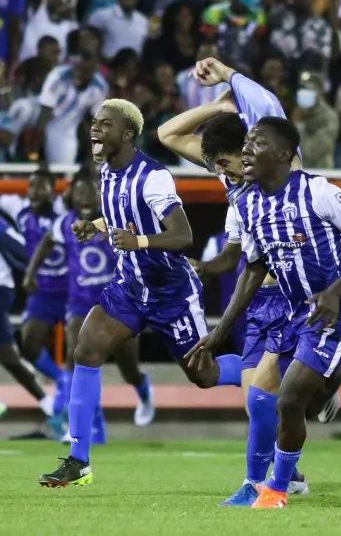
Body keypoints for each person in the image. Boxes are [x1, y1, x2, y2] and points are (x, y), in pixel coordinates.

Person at [157, 57, 341, 505]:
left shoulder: (299, 182)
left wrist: (230, 76)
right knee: (271, 398)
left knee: (279, 398)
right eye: (220, 163)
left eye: (235, 158)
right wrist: (217, 105)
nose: (227, 170)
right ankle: (275, 477)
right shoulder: (241, 192)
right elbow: (166, 136)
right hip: (274, 299)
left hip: (309, 296)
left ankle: (275, 478)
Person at [37, 99, 243, 489]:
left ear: (127, 135)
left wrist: (139, 241)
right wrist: (96, 225)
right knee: (86, 350)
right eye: (94, 122)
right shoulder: (106, 171)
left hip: (171, 294)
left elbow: (183, 236)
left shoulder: (154, 177)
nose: (95, 129)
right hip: (129, 288)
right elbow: (122, 216)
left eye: (105, 124)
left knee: (205, 374)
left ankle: (262, 371)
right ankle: (79, 459)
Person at [189, 117, 341, 510]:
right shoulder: (245, 202)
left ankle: (277, 490)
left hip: (330, 312)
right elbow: (252, 269)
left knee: (292, 399)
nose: (246, 150)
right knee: (263, 400)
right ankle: (251, 484)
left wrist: (336, 291)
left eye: (257, 143)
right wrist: (219, 331)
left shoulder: (318, 192)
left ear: (284, 155)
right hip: (290, 310)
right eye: (245, 143)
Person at [26, 171, 154, 442]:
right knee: (76, 356)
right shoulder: (65, 224)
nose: (85, 197)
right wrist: (30, 273)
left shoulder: (115, 223)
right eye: (80, 191)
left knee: (127, 366)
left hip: (118, 302)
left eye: (91, 191)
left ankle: (142, 389)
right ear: (71, 195)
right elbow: (47, 243)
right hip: (79, 303)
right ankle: (78, 423)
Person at [14, 169, 68, 420]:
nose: (34, 191)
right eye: (31, 185)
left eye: (41, 186)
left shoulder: (63, 210)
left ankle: (89, 416)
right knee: (29, 342)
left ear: (52, 190)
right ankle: (60, 379)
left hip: (72, 290)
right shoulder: (20, 210)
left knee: (82, 350)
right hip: (42, 291)